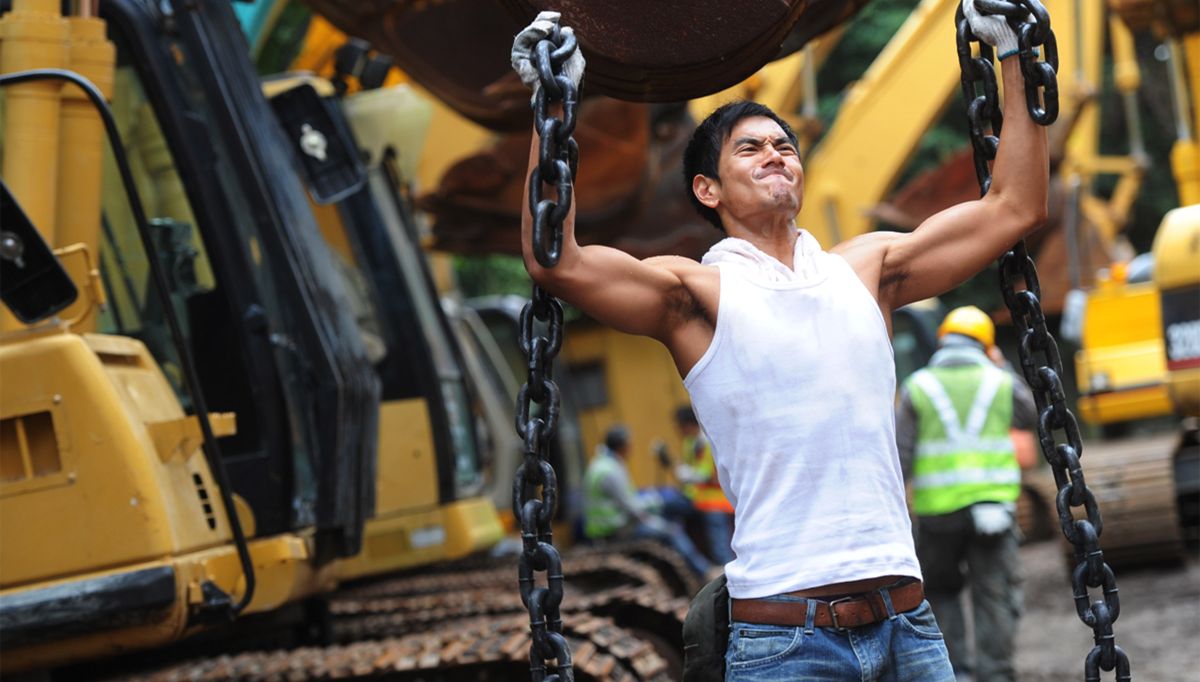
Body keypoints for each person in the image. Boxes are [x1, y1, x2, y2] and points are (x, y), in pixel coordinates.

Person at [511, 2, 1047, 677]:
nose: (774, 153)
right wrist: (553, 99)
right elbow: (556, 261)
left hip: (908, 627)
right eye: (750, 147)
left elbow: (1015, 207)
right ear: (707, 190)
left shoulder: (870, 269)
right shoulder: (695, 295)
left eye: (784, 146)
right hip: (786, 640)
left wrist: (1014, 54)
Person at [895, 306, 1037, 682]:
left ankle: (956, 671)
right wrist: (1002, 366)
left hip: (937, 512)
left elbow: (901, 454)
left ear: (942, 340)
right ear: (987, 346)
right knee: (995, 595)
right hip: (993, 510)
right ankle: (995, 674)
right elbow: (1029, 416)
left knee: (941, 593)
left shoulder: (918, 386)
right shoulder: (1000, 382)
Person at [583, 424, 714, 577]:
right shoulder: (611, 471)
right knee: (672, 530)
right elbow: (632, 509)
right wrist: (654, 509)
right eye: (630, 444)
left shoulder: (600, 464)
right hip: (616, 529)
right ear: (622, 446)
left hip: (606, 527)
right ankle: (703, 571)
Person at [673, 405, 735, 565]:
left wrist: (690, 475)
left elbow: (712, 475)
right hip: (699, 499)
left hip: (717, 502)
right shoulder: (689, 442)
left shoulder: (707, 441)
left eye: (680, 426)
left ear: (688, 424)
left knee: (721, 547)